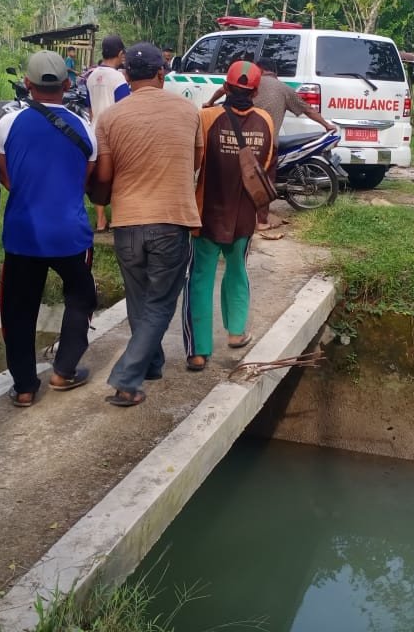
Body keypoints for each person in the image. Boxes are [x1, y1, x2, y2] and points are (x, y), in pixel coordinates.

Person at [91, 42, 203, 407]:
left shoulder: (109, 118)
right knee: (159, 303)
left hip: (128, 223)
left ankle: (152, 363)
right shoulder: (188, 111)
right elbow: (196, 159)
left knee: (140, 300)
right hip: (171, 220)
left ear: (127, 75)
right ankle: (127, 377)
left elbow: (104, 175)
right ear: (161, 73)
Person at [0, 50, 98, 407]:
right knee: (81, 298)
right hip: (70, 234)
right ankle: (63, 371)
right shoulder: (86, 127)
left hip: (24, 234)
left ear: (27, 84)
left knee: (18, 310)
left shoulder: (7, 124)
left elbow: (5, 176)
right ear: (68, 85)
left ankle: (24, 387)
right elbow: (84, 180)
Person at [182, 61, 275, 369]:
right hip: (244, 218)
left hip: (207, 215)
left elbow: (194, 162)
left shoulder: (207, 117)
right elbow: (269, 168)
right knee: (237, 272)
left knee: (200, 279)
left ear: (226, 85)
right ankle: (236, 333)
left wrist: (212, 99)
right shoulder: (266, 121)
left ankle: (198, 351)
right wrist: (263, 215)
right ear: (257, 91)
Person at [204, 57, 336, 228]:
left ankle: (228, 215)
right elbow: (308, 109)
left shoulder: (249, 83)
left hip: (236, 141)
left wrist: (210, 102)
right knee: (265, 181)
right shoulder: (285, 89)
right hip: (266, 145)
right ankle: (261, 220)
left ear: (258, 69)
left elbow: (223, 89)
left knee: (229, 177)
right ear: (275, 72)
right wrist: (326, 125)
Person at [86, 35, 131, 232]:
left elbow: (90, 109)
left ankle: (101, 219)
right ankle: (118, 216)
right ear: (120, 54)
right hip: (114, 133)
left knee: (98, 177)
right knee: (117, 176)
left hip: (95, 131)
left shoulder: (91, 75)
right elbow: (124, 109)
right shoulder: (118, 78)